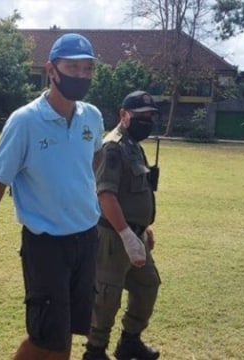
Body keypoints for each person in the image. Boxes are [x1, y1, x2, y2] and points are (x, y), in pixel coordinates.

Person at [0, 33, 104, 360]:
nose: (81, 76)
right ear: (51, 69)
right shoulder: (25, 121)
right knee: (46, 338)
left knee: (67, 329)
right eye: (73, 67)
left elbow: (95, 166)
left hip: (86, 239)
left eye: (88, 69)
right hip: (47, 245)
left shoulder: (92, 117)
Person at [82, 90, 161, 360]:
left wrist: (142, 228)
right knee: (107, 295)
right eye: (141, 117)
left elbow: (135, 190)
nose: (147, 122)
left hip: (134, 233)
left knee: (148, 284)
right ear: (123, 115)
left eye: (150, 117)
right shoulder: (113, 146)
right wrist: (127, 234)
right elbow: (106, 194)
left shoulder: (132, 145)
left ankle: (129, 341)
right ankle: (95, 351)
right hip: (114, 235)